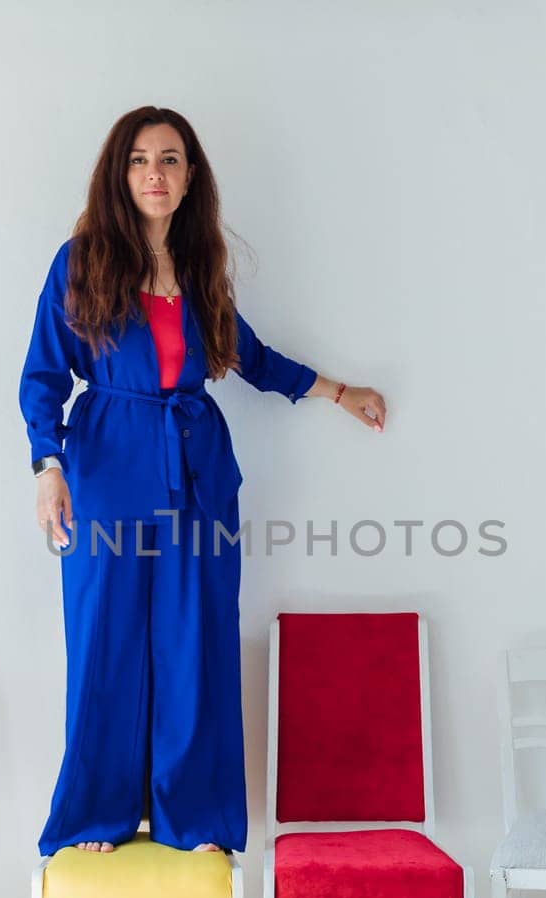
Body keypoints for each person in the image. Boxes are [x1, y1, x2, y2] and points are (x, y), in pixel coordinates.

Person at [19, 106, 386, 855]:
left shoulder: (198, 270)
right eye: (140, 160)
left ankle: (194, 817)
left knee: (196, 642)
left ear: (190, 180)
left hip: (197, 474)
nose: (156, 173)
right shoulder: (81, 259)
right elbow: (43, 375)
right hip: (106, 469)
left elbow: (249, 356)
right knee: (105, 644)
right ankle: (100, 814)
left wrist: (337, 391)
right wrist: (47, 466)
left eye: (171, 160)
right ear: (120, 175)